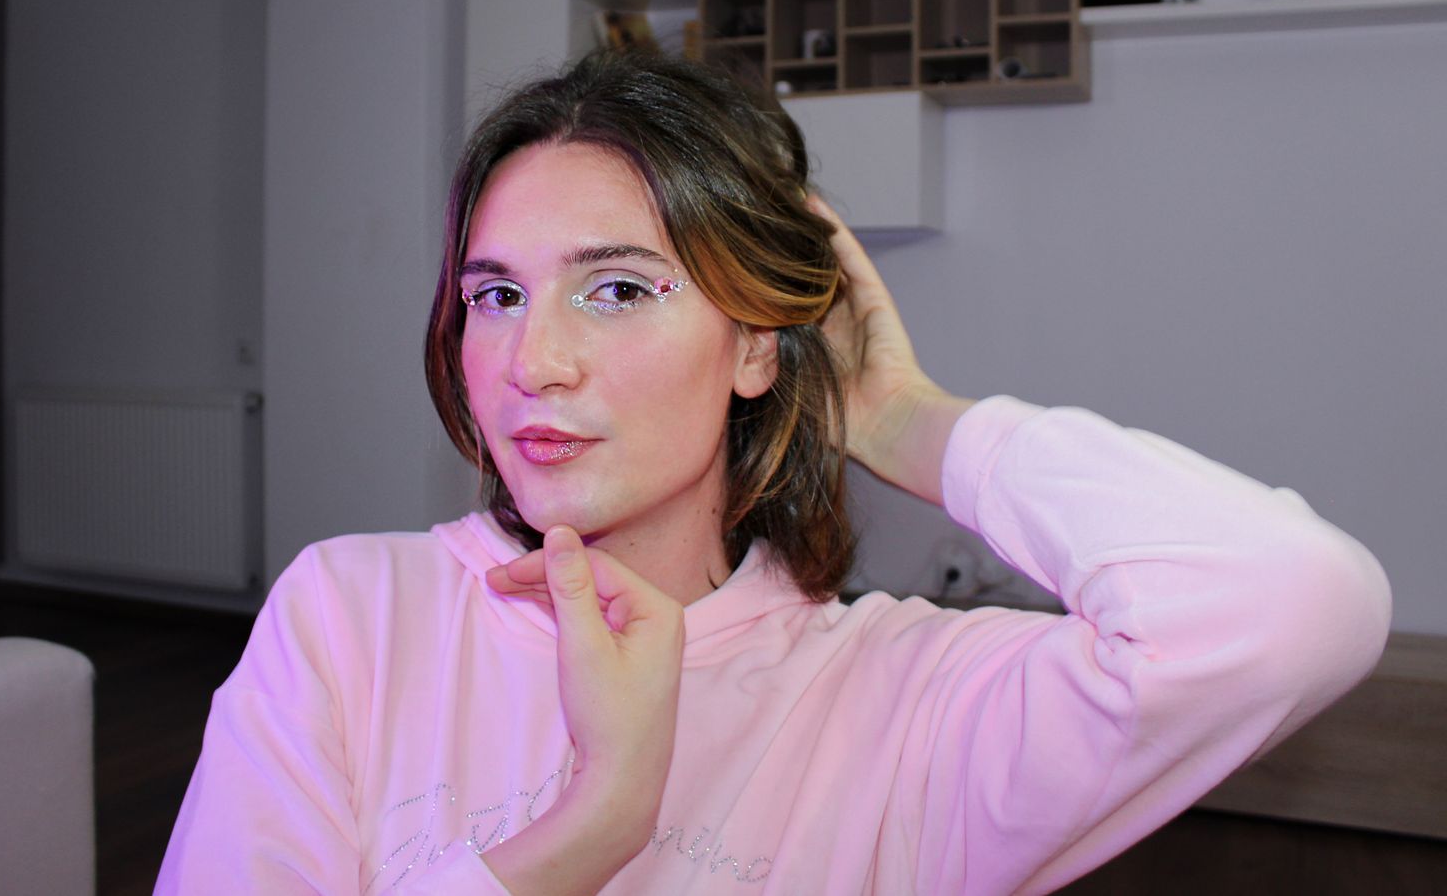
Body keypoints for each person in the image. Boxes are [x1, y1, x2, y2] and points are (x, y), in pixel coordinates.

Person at [157, 51, 1391, 894]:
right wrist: (591, 825)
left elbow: (1294, 601)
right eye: (496, 295)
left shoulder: (903, 703)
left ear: (756, 344)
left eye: (617, 288)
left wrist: (900, 416)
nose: (532, 360)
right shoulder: (352, 614)